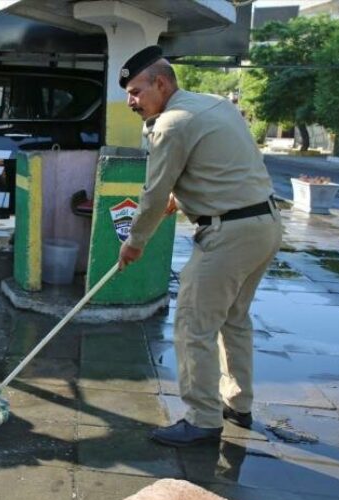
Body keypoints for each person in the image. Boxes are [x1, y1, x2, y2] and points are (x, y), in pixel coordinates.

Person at [116, 46, 283, 447]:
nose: (131, 102)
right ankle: (237, 403)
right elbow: (219, 165)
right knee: (234, 318)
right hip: (265, 224)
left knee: (194, 324)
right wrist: (187, 197)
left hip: (228, 236)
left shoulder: (172, 123)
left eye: (137, 91)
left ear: (161, 82)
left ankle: (203, 419)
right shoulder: (212, 105)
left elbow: (154, 195)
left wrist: (134, 242)